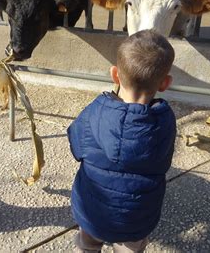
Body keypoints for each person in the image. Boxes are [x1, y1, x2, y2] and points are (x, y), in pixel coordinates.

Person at [67, 29, 177, 253]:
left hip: (91, 211)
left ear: (115, 75)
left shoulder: (94, 112)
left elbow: (76, 146)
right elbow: (163, 161)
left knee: (88, 242)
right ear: (165, 83)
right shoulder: (165, 121)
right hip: (136, 219)